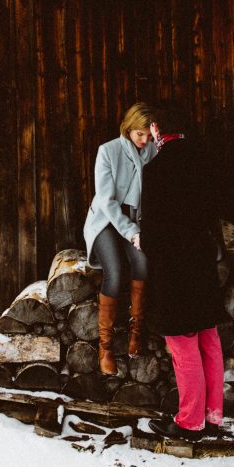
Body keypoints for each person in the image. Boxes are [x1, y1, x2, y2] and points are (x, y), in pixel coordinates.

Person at [142, 105, 224, 442]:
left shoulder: (156, 168)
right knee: (208, 338)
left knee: (182, 342)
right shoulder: (204, 162)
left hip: (174, 267)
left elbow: (152, 230)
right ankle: (213, 415)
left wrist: (145, 246)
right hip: (203, 263)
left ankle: (190, 421)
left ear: (158, 129)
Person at [83, 102, 158, 375]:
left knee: (143, 265)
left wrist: (142, 230)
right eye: (140, 134)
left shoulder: (151, 151)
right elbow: (106, 200)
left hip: (136, 222)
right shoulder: (108, 151)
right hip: (107, 220)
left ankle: (135, 333)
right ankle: (106, 348)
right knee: (114, 271)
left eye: (148, 136)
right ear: (128, 129)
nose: (144, 141)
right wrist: (130, 231)